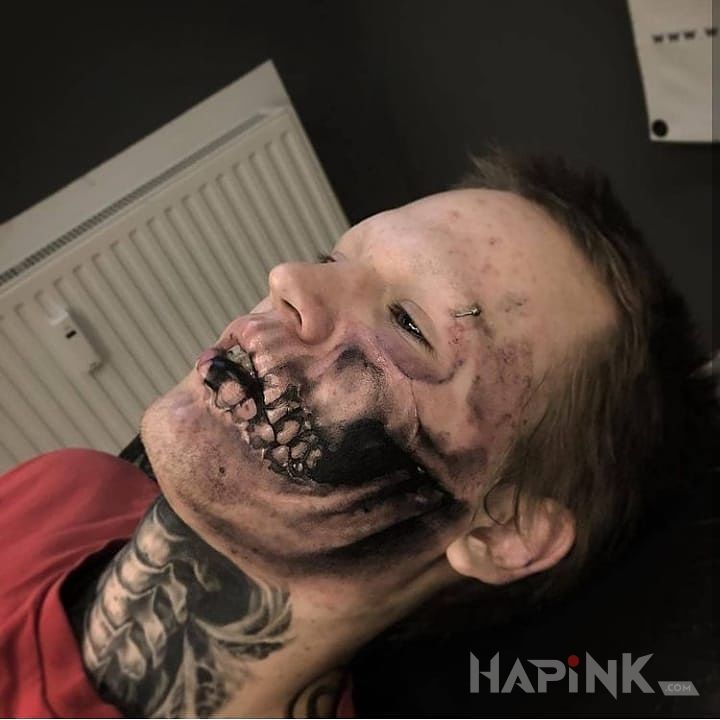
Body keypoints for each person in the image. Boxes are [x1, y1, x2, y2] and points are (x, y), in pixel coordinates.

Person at [1, 150, 716, 718]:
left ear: (504, 531)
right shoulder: (65, 484)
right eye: (334, 259)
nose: (288, 279)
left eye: (408, 322)